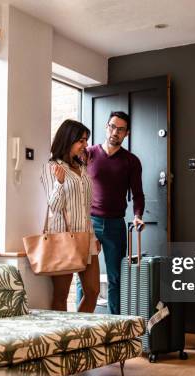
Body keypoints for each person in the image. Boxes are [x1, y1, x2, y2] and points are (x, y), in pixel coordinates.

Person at [77, 111, 145, 315]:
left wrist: (138, 215)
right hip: (89, 223)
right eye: (112, 126)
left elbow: (138, 194)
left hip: (115, 225)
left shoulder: (131, 161)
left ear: (127, 133)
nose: (115, 132)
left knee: (116, 278)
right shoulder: (88, 154)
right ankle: (80, 325)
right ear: (107, 127)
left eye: (120, 129)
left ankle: (113, 327)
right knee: (84, 279)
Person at [41, 119, 101, 312]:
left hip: (86, 237)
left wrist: (94, 236)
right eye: (81, 140)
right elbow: (54, 206)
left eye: (86, 140)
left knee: (93, 291)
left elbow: (86, 206)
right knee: (61, 296)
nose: (85, 145)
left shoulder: (82, 168)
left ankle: (78, 335)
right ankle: (61, 340)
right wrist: (59, 183)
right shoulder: (52, 167)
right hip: (63, 238)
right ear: (68, 140)